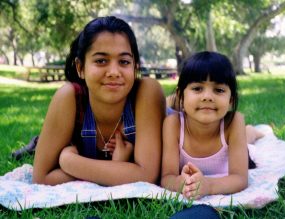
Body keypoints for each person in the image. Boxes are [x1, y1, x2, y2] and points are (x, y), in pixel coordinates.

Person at [32, 16, 165, 186]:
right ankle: (36, 143)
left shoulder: (147, 91)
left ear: (135, 67)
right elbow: (42, 178)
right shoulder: (70, 97)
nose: (114, 72)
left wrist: (70, 162)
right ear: (80, 68)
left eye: (124, 62)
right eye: (101, 61)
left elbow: (147, 175)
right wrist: (122, 169)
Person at [161, 51, 263, 199]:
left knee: (248, 140)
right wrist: (180, 183)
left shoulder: (234, 122)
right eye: (197, 88)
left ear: (231, 100)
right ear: (180, 97)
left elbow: (240, 179)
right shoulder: (172, 124)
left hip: (234, 142)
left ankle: (253, 131)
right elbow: (167, 177)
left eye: (219, 90)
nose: (207, 97)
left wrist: (208, 186)